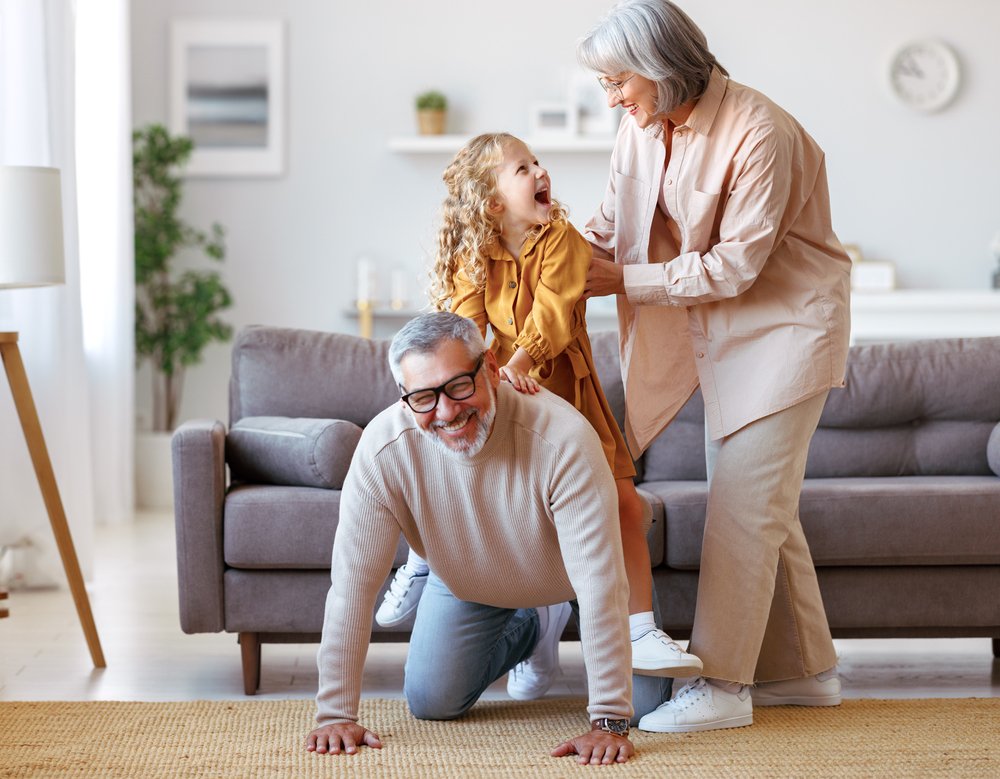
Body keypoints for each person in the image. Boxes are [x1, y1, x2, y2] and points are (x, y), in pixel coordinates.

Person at [576, 0, 852, 733]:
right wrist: (536, 255)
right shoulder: (638, 130)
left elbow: (735, 266)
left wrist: (620, 283)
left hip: (785, 332)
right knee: (763, 506)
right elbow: (604, 226)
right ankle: (806, 673)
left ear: (663, 67)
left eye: (618, 81)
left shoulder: (763, 130)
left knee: (741, 505)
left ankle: (724, 685)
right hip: (717, 338)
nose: (611, 98)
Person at [376, 132, 702, 686]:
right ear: (492, 201)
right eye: (521, 168)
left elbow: (553, 315)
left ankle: (641, 628)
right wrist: (480, 382)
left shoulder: (564, 240)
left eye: (536, 163)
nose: (539, 171)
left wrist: (519, 365)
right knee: (439, 464)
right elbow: (465, 329)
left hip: (562, 395)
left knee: (623, 501)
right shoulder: (471, 258)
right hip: (493, 396)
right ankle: (425, 557)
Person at [307, 311, 642, 764]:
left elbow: (601, 585)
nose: (446, 412)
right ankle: (536, 627)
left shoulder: (562, 438)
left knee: (649, 706)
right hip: (469, 580)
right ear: (404, 399)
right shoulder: (383, 450)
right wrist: (334, 714)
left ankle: (553, 611)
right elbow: (352, 585)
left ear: (489, 370)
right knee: (431, 702)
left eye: (459, 386)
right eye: (424, 397)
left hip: (575, 580)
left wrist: (609, 720)